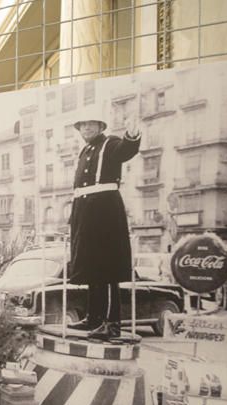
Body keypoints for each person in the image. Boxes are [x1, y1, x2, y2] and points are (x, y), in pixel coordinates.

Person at [68, 117, 140, 340]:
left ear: (100, 127)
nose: (86, 128)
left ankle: (112, 323)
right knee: (91, 267)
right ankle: (94, 319)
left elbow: (126, 151)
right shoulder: (85, 151)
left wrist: (132, 135)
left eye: (91, 124)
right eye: (82, 125)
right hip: (84, 211)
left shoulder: (110, 143)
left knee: (107, 268)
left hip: (104, 209)